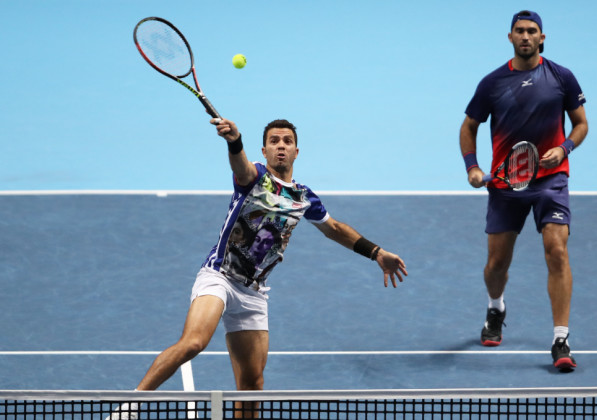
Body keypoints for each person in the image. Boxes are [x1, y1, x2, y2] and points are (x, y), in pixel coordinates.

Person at [115, 117, 407, 418]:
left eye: (287, 141)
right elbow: (239, 166)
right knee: (194, 343)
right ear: (265, 150)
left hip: (253, 293)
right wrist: (234, 140)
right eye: (274, 141)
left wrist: (376, 253)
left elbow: (333, 228)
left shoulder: (303, 197)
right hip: (220, 277)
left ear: (296, 152)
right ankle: (130, 406)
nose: (281, 146)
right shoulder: (254, 177)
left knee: (253, 383)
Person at [459, 10, 588, 371]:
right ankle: (495, 307)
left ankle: (560, 339)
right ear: (510, 37)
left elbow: (580, 124)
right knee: (496, 265)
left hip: (551, 180)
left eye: (533, 31)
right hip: (506, 184)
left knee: (557, 251)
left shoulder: (561, 77)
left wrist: (565, 148)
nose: (526, 36)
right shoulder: (491, 83)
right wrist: (472, 167)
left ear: (542, 38)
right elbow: (468, 127)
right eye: (520, 31)